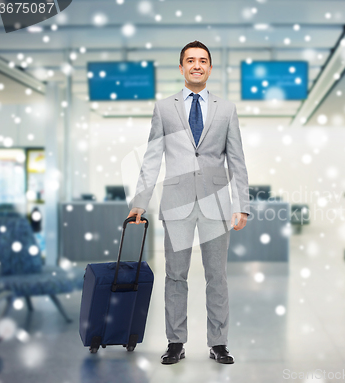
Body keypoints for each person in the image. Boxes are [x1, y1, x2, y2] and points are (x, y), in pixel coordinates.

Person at [127, 40, 250, 365]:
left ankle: (218, 343)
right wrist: (140, 200)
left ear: (210, 67)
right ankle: (175, 342)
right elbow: (153, 157)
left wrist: (243, 203)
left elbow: (237, 160)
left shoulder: (226, 109)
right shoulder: (164, 108)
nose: (197, 65)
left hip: (217, 204)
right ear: (181, 68)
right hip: (177, 203)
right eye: (191, 61)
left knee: (217, 277)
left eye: (203, 60)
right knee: (176, 275)